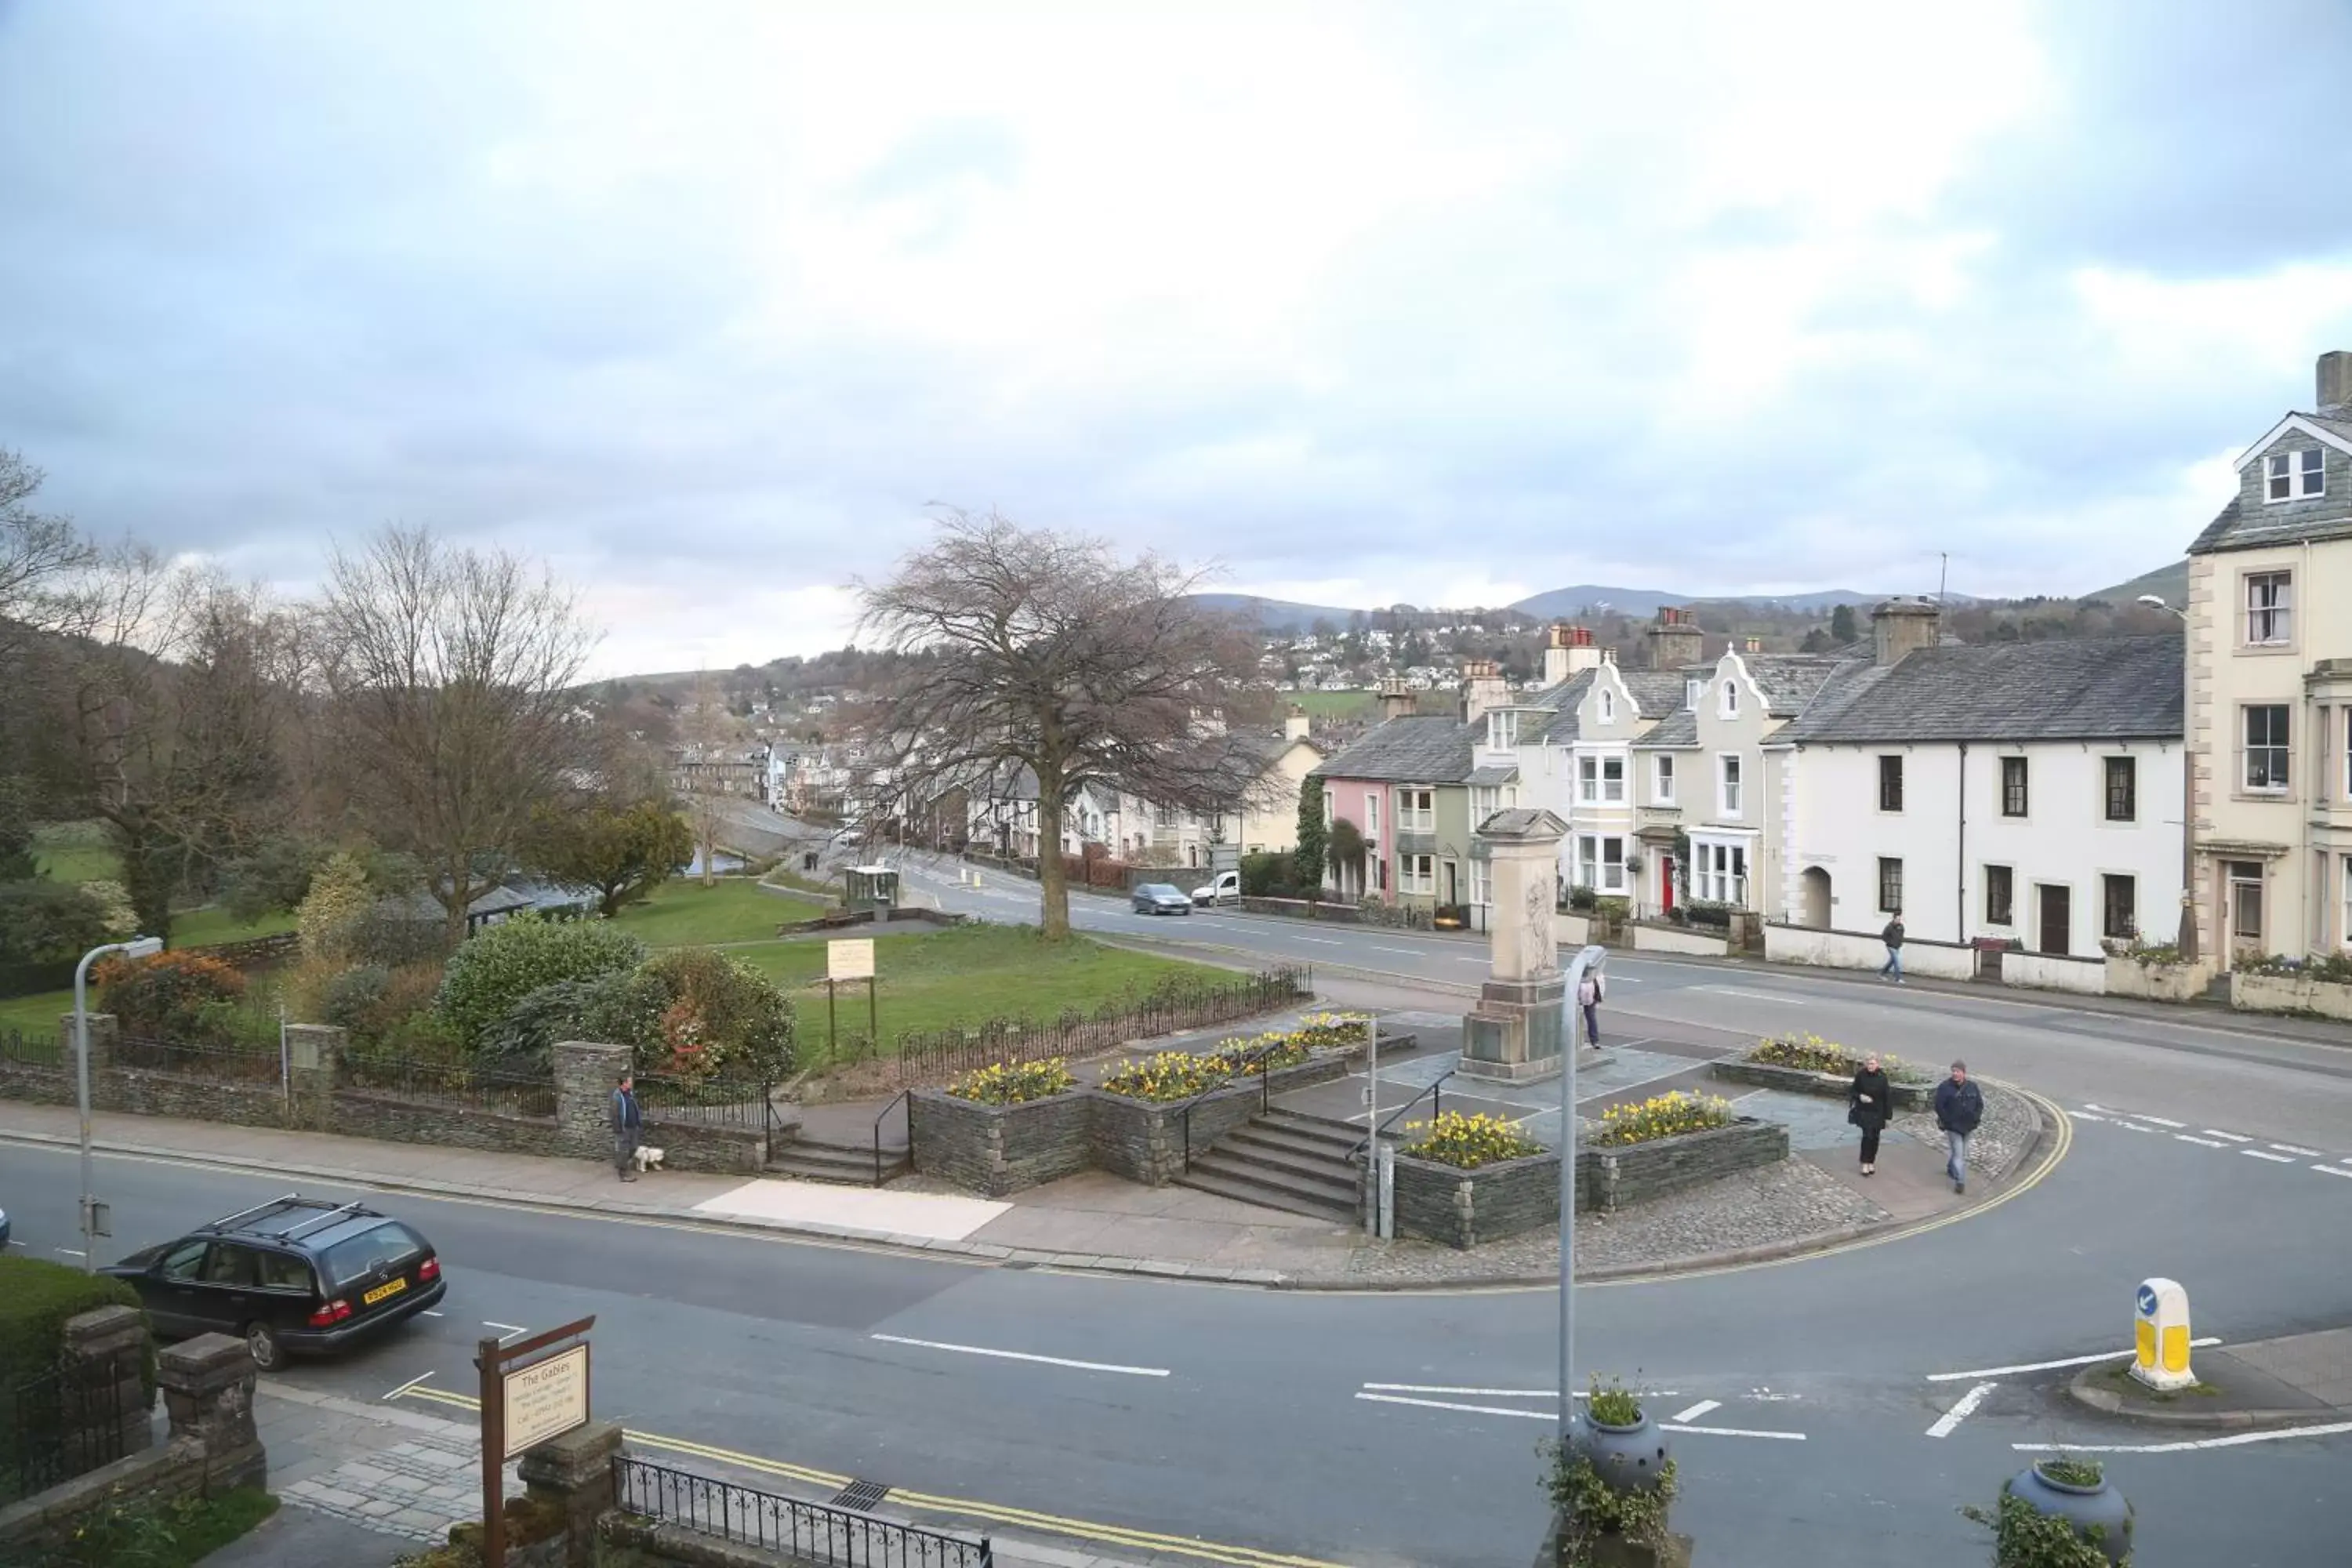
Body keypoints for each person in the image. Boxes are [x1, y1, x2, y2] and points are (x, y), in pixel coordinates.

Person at [1933, 1059, 1983, 1194]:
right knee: (1959, 1155)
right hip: (1953, 1127)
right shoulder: (1945, 1087)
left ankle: (1951, 1168)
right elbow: (1939, 1106)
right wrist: (1947, 1121)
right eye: (1953, 1071)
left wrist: (1976, 1118)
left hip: (1968, 1126)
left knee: (1961, 1153)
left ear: (1964, 1073)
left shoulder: (1972, 1087)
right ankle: (1960, 1181)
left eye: (1958, 1071)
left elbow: (1979, 1104)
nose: (1955, 1074)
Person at [1848, 1053, 1890, 1176]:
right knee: (1867, 1136)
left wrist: (1888, 1117)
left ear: (1877, 1064)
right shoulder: (1861, 1075)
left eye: (1872, 1064)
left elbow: (1887, 1098)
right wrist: (1861, 1096)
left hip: (1878, 1112)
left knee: (1875, 1138)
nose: (1870, 1066)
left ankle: (1871, 1161)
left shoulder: (1883, 1078)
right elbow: (1853, 1090)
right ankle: (1864, 1162)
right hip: (1865, 1111)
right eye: (1868, 1063)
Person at [612, 1071, 644, 1182]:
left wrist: (638, 1122)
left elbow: (634, 1108)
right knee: (623, 1151)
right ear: (624, 1083)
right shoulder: (617, 1096)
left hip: (633, 1127)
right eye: (629, 1081)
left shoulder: (630, 1094)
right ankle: (623, 1174)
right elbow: (615, 1114)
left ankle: (622, 1164)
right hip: (624, 1128)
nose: (631, 1083)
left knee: (634, 1148)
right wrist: (619, 1129)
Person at [1577, 968, 1604, 1048]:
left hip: (1586, 997)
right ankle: (1594, 1041)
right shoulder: (1596, 972)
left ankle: (1593, 1040)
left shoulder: (1581, 972)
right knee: (1591, 1017)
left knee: (1587, 1017)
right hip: (1592, 997)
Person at [1879, 910, 1906, 983]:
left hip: (1897, 947)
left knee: (1891, 962)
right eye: (1897, 919)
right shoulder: (1889, 927)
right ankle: (1898, 978)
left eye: (1900, 919)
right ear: (1894, 919)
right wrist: (1890, 942)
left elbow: (1901, 936)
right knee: (1897, 962)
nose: (1899, 921)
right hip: (1891, 947)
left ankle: (1881, 974)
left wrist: (1900, 943)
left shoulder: (1901, 927)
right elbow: (1883, 936)